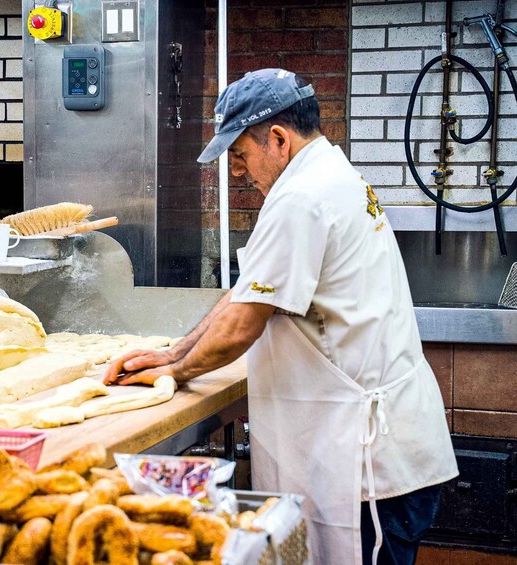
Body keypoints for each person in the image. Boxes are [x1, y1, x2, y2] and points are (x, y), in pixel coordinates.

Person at [104, 68, 458, 565]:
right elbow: (249, 291)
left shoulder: (302, 197)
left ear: (278, 138)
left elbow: (242, 326)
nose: (238, 171)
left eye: (241, 154)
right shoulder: (329, 175)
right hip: (369, 449)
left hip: (370, 467)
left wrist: (176, 374)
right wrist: (174, 351)